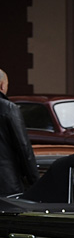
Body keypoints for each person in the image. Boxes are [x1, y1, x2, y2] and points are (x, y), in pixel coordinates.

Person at [0, 67, 39, 196]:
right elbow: (23, 147)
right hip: (7, 182)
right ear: (2, 85)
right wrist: (35, 181)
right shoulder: (8, 108)